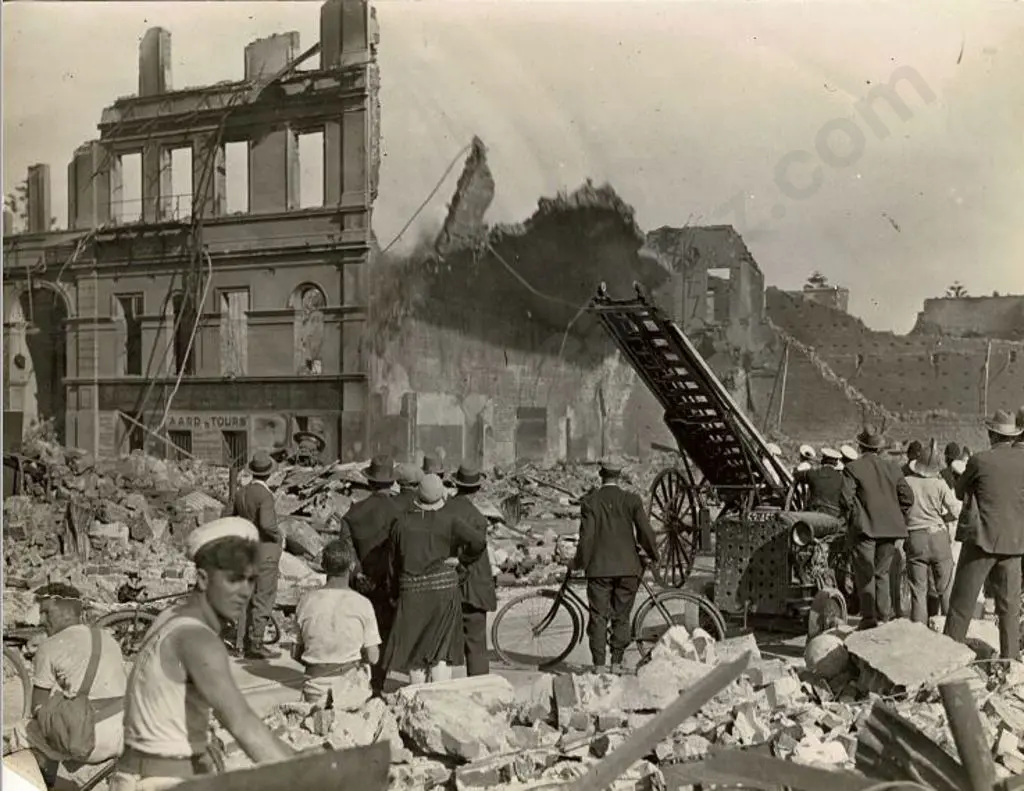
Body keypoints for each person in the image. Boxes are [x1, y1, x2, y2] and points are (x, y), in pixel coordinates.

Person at [109, 518, 295, 791]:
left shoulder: (170, 616)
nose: (244, 592)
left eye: (250, 580)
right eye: (233, 579)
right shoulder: (198, 639)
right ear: (203, 579)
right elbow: (243, 724)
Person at [6, 583, 127, 789]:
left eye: (46, 612)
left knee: (24, 731)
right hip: (125, 732)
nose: (41, 620)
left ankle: (39, 783)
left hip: (91, 739)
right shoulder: (107, 638)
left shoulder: (49, 647)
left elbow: (38, 708)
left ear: (64, 612)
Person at [383, 475, 485, 684]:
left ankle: (417, 695)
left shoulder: (401, 523)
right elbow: (478, 542)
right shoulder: (450, 520)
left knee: (415, 651)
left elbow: (392, 564)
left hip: (412, 594)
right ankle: (439, 696)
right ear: (441, 497)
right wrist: (462, 560)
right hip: (443, 592)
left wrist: (393, 594)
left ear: (417, 495)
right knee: (441, 650)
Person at [944, 410, 1024, 662]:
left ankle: (948, 659)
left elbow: (959, 492)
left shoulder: (980, 460)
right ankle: (1011, 662)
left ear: (992, 434)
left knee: (962, 605)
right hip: (1014, 542)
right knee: (1009, 608)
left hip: (981, 540)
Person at [572, 458, 660, 673]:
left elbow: (587, 538)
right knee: (621, 616)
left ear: (601, 475)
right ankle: (617, 663)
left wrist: (578, 562)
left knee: (598, 616)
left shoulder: (590, 502)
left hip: (599, 569)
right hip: (628, 568)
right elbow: (645, 531)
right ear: (619, 476)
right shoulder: (631, 500)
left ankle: (599, 666)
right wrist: (653, 555)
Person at [293, 540, 380, 711]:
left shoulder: (306, 601)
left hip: (314, 687)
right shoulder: (362, 604)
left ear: (323, 566)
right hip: (349, 689)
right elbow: (373, 657)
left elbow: (295, 653)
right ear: (352, 566)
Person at [841, 426, 914, 630]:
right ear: (880, 449)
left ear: (860, 446)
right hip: (890, 530)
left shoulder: (852, 468)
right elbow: (908, 498)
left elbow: (845, 499)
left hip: (864, 530)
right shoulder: (893, 468)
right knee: (882, 573)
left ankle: (868, 618)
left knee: (865, 574)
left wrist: (856, 517)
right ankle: (884, 618)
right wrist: (895, 515)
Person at [343, 454, 400, 695]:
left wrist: (357, 573)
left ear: (369, 482)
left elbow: (346, 549)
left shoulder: (354, 512)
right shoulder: (400, 511)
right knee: (384, 632)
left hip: (362, 582)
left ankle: (363, 680)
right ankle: (378, 681)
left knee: (361, 630)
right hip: (390, 583)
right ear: (392, 482)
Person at [222, 450, 282, 660]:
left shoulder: (241, 493)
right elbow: (267, 524)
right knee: (263, 597)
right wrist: (278, 535)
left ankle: (240, 643)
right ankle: (256, 642)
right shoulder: (265, 495)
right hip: (265, 551)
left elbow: (226, 516)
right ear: (269, 474)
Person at [443, 464, 498, 677]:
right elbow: (477, 546)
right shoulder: (477, 518)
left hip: (445, 583)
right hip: (473, 586)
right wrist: (463, 560)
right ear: (477, 489)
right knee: (476, 644)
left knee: (442, 643)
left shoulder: (443, 509)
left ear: (456, 484)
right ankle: (479, 685)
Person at [903, 440, 962, 626]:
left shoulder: (907, 482)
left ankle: (919, 632)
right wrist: (943, 519)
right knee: (945, 588)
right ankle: (949, 630)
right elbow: (956, 511)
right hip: (938, 537)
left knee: (918, 591)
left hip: (915, 537)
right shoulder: (940, 484)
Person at [795, 447, 845, 517]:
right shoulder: (842, 479)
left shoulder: (813, 473)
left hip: (814, 512)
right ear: (836, 463)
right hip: (834, 515)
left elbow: (797, 475)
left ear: (823, 460)